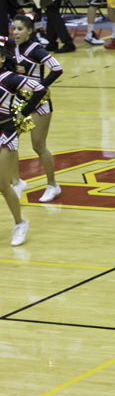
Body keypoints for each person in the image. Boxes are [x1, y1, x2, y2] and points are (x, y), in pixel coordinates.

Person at [9, 13, 62, 201]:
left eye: (20, 29)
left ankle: (53, 185)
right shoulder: (10, 46)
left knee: (38, 146)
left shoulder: (36, 50)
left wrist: (41, 88)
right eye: (14, 28)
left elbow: (57, 68)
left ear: (30, 31)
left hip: (39, 103)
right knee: (10, 142)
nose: (15, 32)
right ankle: (16, 183)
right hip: (19, 101)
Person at [0, 36, 47, 246]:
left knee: (2, 185)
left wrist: (25, 111)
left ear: (2, 59)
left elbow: (40, 89)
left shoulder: (10, 78)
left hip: (5, 133)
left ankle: (20, 223)